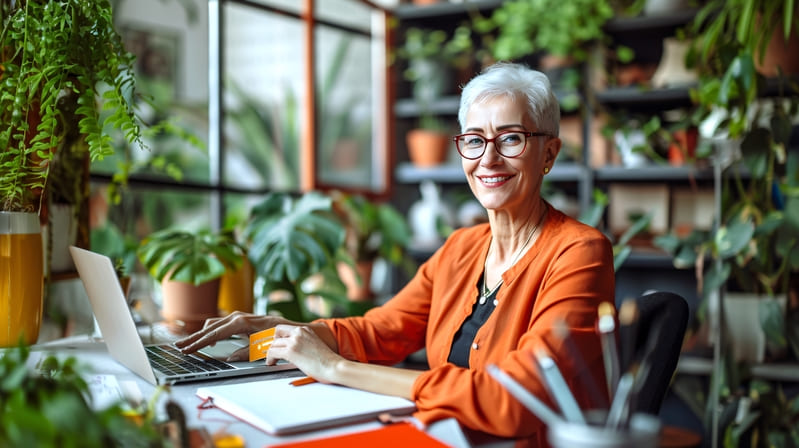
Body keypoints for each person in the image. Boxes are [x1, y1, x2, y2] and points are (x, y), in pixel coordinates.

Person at [176, 61, 615, 445]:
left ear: (549, 154)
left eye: (512, 139)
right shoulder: (462, 247)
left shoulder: (580, 254)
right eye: (475, 140)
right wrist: (290, 329)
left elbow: (510, 402)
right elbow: (380, 332)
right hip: (440, 435)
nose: (489, 159)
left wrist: (335, 368)